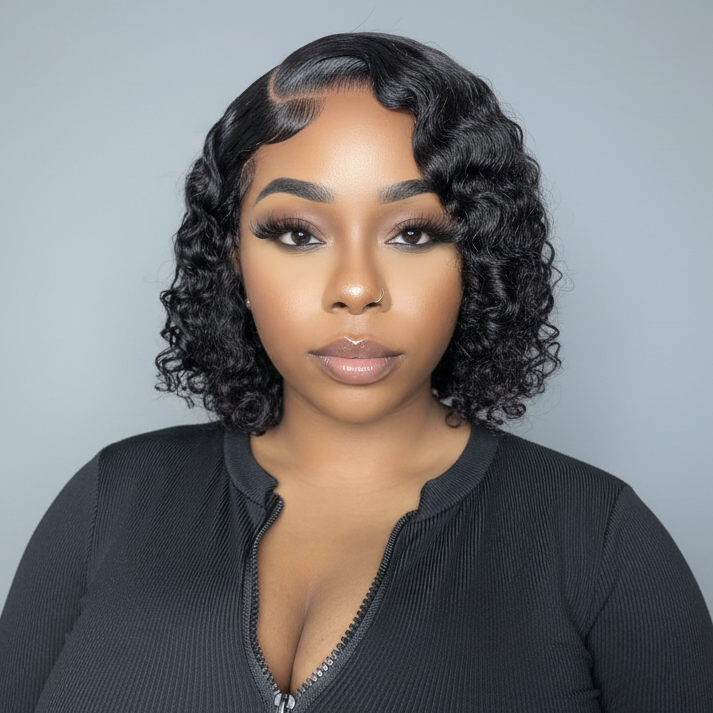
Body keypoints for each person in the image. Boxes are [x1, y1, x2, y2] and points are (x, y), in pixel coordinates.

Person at [1, 32, 711, 713]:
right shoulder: (110, 501)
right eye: (297, 232)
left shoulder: (599, 537)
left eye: (413, 232)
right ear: (234, 258)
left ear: (476, 258)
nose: (356, 287)